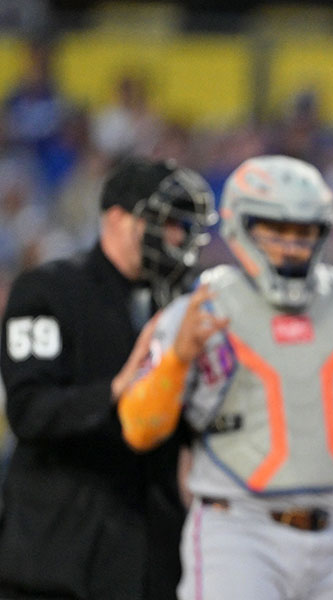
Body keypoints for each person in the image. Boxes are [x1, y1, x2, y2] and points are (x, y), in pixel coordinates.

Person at [116, 155, 333, 600]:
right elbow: (138, 428)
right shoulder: (199, 307)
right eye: (275, 229)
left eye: (303, 231)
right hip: (239, 532)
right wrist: (178, 357)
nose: (290, 244)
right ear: (240, 227)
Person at [0, 157, 217, 599]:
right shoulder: (48, 289)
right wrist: (118, 389)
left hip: (152, 558)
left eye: (186, 224)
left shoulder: (189, 306)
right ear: (117, 218)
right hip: (57, 553)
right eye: (167, 221)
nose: (180, 237)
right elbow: (30, 411)